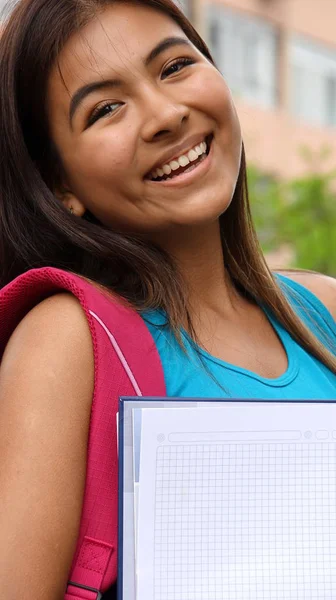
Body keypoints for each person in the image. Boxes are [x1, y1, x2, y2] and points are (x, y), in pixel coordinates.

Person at [0, 0, 335, 598]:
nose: (164, 114)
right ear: (60, 187)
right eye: (105, 109)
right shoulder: (67, 341)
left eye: (175, 67)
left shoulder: (325, 312)